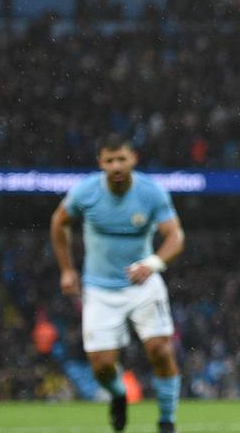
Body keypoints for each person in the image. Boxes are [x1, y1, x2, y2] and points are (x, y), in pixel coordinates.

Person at [50, 135, 185, 433]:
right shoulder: (85, 192)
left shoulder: (151, 193)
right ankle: (119, 395)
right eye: (109, 161)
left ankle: (167, 422)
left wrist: (152, 264)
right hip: (99, 289)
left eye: (121, 159)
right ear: (100, 163)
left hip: (143, 285)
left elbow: (175, 237)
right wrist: (67, 270)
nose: (116, 166)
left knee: (161, 351)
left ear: (133, 158)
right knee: (101, 365)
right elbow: (58, 222)